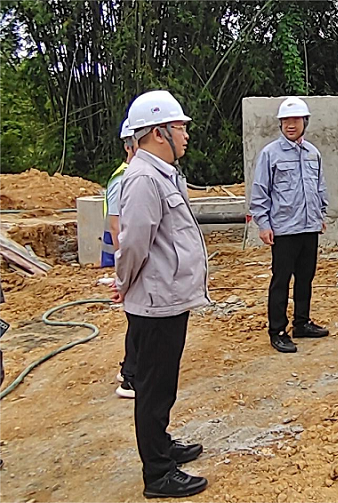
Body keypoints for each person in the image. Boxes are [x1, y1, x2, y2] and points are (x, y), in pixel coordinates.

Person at [113, 90, 208, 498]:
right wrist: (123, 283)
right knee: (152, 389)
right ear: (157, 132)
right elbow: (133, 243)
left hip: (168, 298)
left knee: (163, 383)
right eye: (179, 127)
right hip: (154, 303)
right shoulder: (143, 179)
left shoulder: (162, 173)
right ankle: (158, 474)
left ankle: (162, 445)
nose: (186, 134)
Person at [251, 97, 330, 354]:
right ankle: (278, 331)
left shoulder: (312, 153)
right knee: (281, 280)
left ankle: (302, 322)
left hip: (309, 227)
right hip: (284, 229)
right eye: (285, 120)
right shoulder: (270, 154)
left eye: (295, 120)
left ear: (305, 122)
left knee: (306, 278)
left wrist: (320, 214)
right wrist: (264, 224)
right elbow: (260, 191)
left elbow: (319, 187)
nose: (290, 125)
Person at [104, 118, 138, 399]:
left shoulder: (136, 174)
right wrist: (122, 266)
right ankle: (131, 378)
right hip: (131, 258)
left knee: (138, 320)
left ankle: (129, 367)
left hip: (135, 258)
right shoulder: (122, 179)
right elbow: (116, 226)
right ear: (130, 145)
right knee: (139, 320)